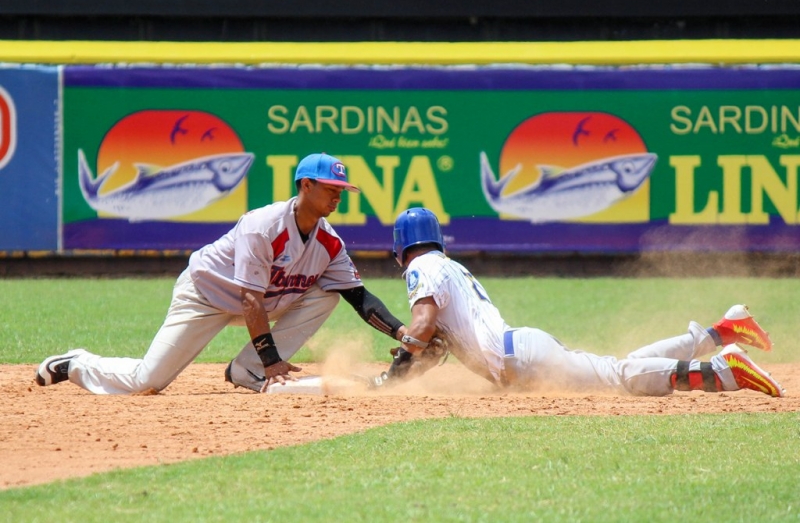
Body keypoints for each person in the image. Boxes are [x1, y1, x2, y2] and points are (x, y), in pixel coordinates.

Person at [36, 153, 408, 394]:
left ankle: (246, 371)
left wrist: (403, 332)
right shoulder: (263, 226)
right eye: (331, 187)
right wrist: (272, 359)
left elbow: (359, 297)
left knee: (331, 291)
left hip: (264, 302)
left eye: (341, 189)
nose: (338, 195)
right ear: (305, 185)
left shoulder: (330, 243)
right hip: (205, 296)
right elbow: (249, 298)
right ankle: (77, 363)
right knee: (146, 382)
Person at [369, 207, 785, 398]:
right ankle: (721, 331)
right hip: (524, 354)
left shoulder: (421, 266)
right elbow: (431, 337)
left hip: (522, 357)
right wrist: (415, 355)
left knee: (622, 378)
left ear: (399, 249)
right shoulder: (447, 265)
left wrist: (394, 372)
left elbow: (422, 326)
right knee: (618, 367)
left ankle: (722, 370)